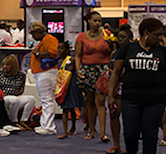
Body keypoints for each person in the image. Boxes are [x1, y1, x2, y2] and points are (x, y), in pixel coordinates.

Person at [108, 18, 166, 154]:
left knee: (150, 135)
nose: (159, 38)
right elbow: (116, 73)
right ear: (146, 33)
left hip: (155, 100)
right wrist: (111, 95)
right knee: (130, 134)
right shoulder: (128, 49)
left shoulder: (163, 52)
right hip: (130, 99)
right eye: (157, 35)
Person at [75, 11, 111, 142]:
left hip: (102, 70)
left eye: (99, 21)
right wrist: (79, 70)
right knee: (90, 103)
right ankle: (91, 131)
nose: (98, 23)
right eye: (95, 21)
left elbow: (112, 50)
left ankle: (103, 133)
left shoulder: (107, 35)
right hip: (87, 70)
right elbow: (78, 55)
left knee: (101, 102)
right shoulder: (81, 37)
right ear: (89, 21)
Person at [0, 54, 36, 131]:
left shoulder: (21, 75)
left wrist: (17, 95)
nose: (5, 67)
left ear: (13, 66)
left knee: (31, 99)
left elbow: (21, 89)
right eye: (3, 64)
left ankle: (23, 120)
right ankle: (13, 122)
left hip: (15, 96)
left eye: (7, 65)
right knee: (14, 100)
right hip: (3, 97)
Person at [29, 21, 59, 136]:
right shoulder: (44, 40)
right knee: (45, 100)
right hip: (43, 73)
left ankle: (49, 127)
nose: (32, 37)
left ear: (39, 31)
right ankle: (45, 124)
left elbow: (53, 53)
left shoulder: (49, 39)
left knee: (47, 100)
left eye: (33, 34)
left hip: (46, 73)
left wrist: (38, 54)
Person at [109, 24, 133, 154]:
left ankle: (128, 146)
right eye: (119, 37)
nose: (120, 40)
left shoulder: (133, 52)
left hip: (129, 88)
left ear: (130, 38)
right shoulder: (115, 53)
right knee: (114, 114)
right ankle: (116, 144)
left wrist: (121, 72)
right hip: (116, 87)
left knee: (129, 118)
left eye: (123, 37)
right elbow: (111, 68)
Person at [56, 41, 84, 139]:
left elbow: (70, 71)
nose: (59, 50)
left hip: (71, 85)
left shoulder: (71, 60)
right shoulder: (59, 62)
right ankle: (65, 131)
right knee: (65, 108)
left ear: (67, 50)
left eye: (61, 48)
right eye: (58, 48)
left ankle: (73, 126)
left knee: (72, 107)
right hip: (63, 87)